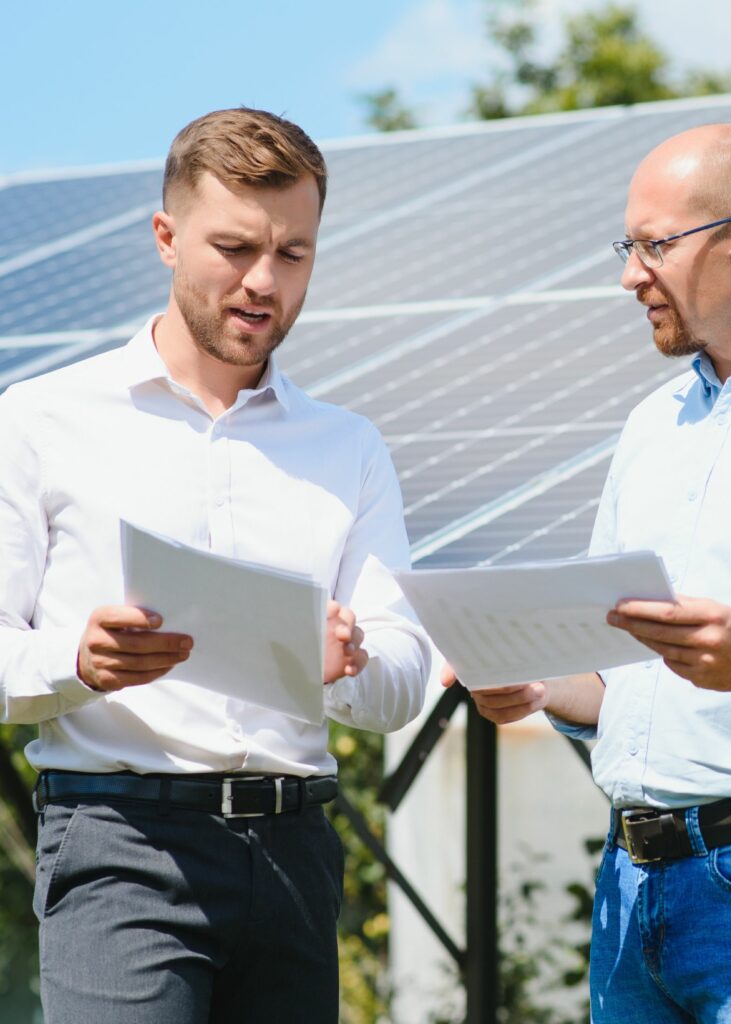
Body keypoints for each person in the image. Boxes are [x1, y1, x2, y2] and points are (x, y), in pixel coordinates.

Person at [0, 107, 430, 1023]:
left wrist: (347, 666)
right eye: (233, 248)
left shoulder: (348, 447)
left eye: (293, 254)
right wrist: (77, 663)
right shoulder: (37, 422)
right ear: (164, 237)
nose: (262, 282)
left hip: (295, 850)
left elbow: (401, 684)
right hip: (121, 844)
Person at [460, 124, 731, 1022]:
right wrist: (538, 688)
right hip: (630, 890)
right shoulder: (650, 425)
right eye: (626, 247)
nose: (630, 275)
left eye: (653, 245)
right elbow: (630, 681)